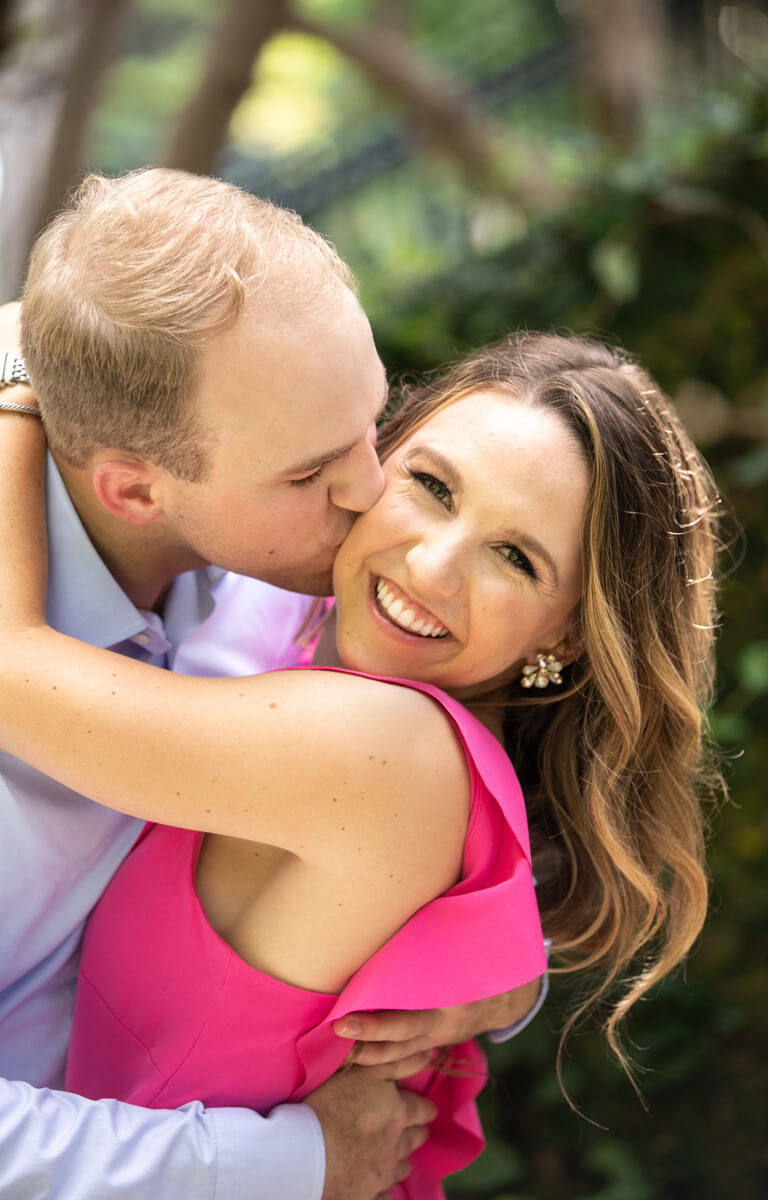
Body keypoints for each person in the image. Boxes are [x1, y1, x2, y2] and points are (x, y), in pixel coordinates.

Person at [0, 330, 723, 1196]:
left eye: (516, 557)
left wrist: (19, 378)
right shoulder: (311, 641)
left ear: (566, 633)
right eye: (430, 485)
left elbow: (11, 672)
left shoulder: (389, 744)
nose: (430, 565)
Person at [0, 169, 540, 1200]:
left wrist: (491, 981)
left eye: (372, 425)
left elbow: (394, 826)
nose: (372, 494)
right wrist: (289, 1165)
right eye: (307, 473)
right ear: (133, 488)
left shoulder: (281, 576)